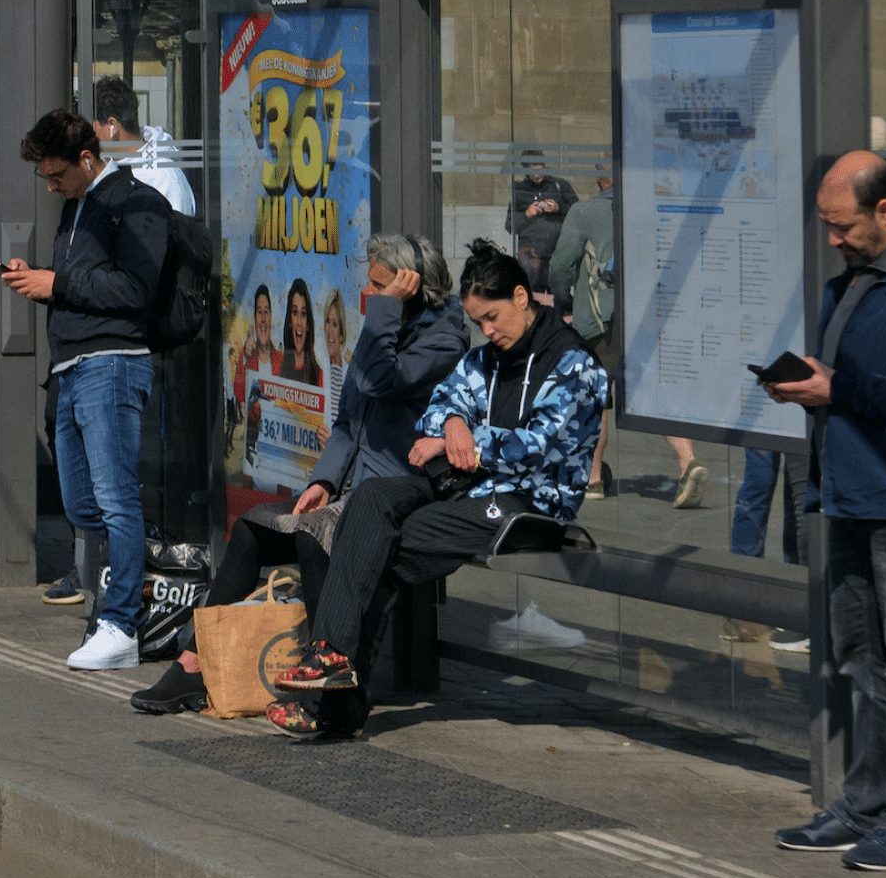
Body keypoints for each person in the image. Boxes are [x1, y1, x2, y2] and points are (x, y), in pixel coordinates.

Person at [267, 239, 608, 740]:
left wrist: (469, 439)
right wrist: (451, 422)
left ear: (521, 296)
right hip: (468, 485)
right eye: (478, 324)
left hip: (532, 502)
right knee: (372, 499)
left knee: (381, 543)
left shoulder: (576, 366)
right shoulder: (487, 356)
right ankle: (332, 659)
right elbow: (441, 404)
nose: (487, 333)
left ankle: (335, 701)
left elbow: (541, 446)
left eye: (492, 318)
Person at [130, 234, 466, 714]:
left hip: (398, 490)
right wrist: (323, 481)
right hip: (351, 486)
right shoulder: (383, 328)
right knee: (252, 530)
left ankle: (330, 680)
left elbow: (380, 381)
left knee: (313, 537)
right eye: (369, 283)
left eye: (380, 285)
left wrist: (384, 314)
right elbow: (350, 419)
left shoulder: (443, 337)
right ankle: (192, 662)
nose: (368, 293)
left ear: (412, 288)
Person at [766, 152, 886, 870]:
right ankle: (866, 804)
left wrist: (839, 388)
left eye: (843, 225)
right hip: (848, 496)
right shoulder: (854, 282)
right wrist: (810, 385)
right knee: (860, 660)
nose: (833, 238)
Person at [5, 108, 168, 670]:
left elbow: (136, 289)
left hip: (114, 362)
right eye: (43, 178)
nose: (51, 187)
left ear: (85, 158)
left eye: (57, 176)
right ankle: (138, 579)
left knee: (115, 499)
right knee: (80, 502)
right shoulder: (76, 207)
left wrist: (59, 282)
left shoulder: (137, 202)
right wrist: (43, 281)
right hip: (72, 366)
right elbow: (83, 285)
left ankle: (121, 623)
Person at [544, 165, 704, 507]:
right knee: (652, 393)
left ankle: (594, 478)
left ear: (601, 182)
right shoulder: (652, 209)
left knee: (597, 398)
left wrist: (565, 300)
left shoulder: (585, 211)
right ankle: (687, 460)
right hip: (647, 318)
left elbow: (560, 265)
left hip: (600, 321)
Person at [91, 75, 194, 216]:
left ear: (112, 126)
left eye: (91, 126)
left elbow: (179, 235)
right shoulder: (105, 171)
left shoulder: (165, 178)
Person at [506, 148, 577, 288]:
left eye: (539, 169)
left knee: (559, 297)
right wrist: (527, 214)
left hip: (557, 252)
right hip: (531, 256)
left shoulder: (559, 185)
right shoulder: (520, 191)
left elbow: (578, 214)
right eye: (532, 171)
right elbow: (509, 225)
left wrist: (559, 208)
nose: (537, 175)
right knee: (534, 298)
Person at [276, 277, 323, 385]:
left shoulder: (318, 375)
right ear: (289, 322)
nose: (299, 322)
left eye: (303, 314)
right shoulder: (278, 369)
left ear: (308, 325)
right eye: (295, 312)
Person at [322, 290, 350, 422]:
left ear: (342, 335)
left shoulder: (351, 376)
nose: (329, 331)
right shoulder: (319, 372)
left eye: (334, 324)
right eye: (327, 322)